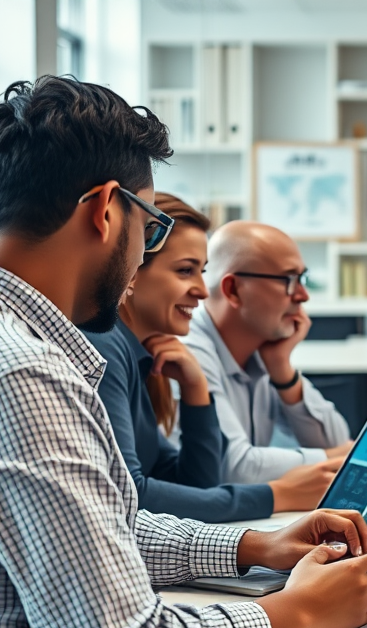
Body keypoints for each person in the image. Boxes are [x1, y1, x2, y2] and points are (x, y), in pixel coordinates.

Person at [0, 75, 367, 628]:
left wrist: (257, 546)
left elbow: (98, 522)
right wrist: (296, 611)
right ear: (105, 210)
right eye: (151, 227)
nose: (143, 256)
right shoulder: (21, 373)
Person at [85, 193, 337, 523]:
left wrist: (196, 392)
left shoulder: (140, 357)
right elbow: (131, 497)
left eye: (202, 272)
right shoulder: (106, 345)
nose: (203, 291)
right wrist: (276, 494)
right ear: (132, 270)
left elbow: (197, 483)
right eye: (185, 271)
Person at [183, 221, 353, 484]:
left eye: (302, 279)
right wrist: (336, 457)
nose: (303, 295)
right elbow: (234, 468)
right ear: (233, 290)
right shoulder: (188, 348)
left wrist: (282, 371)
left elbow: (336, 438)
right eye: (289, 280)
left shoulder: (261, 351)